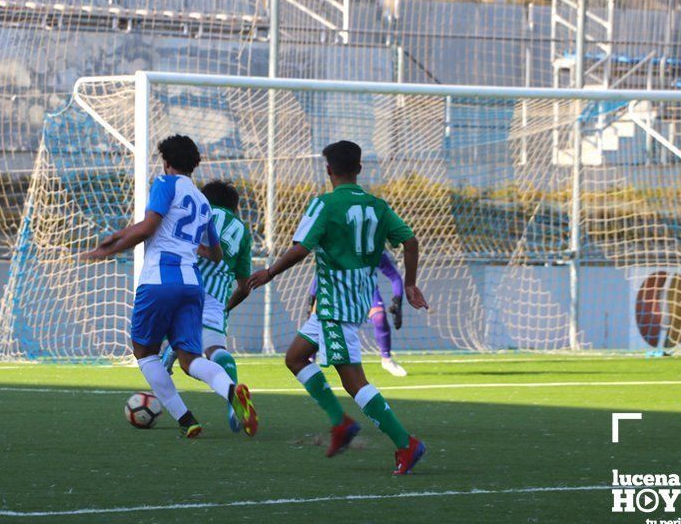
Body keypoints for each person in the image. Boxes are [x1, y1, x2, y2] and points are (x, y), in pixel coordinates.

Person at [248, 140, 429, 475]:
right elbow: (411, 241)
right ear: (359, 169)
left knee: (354, 382)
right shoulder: (378, 205)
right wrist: (410, 283)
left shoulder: (325, 204)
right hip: (353, 300)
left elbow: (302, 249)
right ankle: (340, 421)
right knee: (295, 357)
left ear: (328, 169)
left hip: (335, 305)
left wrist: (270, 271)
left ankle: (406, 444)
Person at [84, 135, 258, 438]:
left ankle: (186, 418)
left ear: (166, 161)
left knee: (144, 352)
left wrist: (109, 249)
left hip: (160, 279)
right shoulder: (203, 202)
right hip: (192, 285)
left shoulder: (165, 184)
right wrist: (189, 245)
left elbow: (149, 227)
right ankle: (232, 392)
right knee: (190, 359)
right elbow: (216, 253)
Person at [160, 180, 253, 432]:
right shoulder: (243, 231)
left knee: (186, 358)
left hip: (190, 281)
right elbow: (244, 286)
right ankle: (234, 404)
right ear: (235, 207)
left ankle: (165, 379)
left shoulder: (202, 210)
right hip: (218, 294)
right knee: (215, 348)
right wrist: (227, 307)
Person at [306, 251, 408, 376]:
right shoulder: (338, 247)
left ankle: (387, 360)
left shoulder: (376, 250)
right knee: (316, 318)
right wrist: (312, 297)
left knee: (380, 317)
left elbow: (394, 276)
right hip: (338, 289)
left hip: (366, 291)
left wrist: (398, 300)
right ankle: (310, 360)